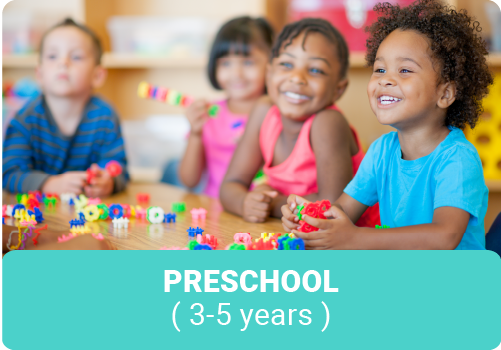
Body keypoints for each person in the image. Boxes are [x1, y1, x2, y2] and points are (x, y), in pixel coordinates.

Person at [282, 0, 493, 250]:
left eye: (404, 70)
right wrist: (312, 216)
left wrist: (355, 238)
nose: (386, 80)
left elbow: (444, 236)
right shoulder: (381, 151)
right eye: (380, 69)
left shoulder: (457, 159)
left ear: (445, 94)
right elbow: (343, 211)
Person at [220, 18, 379, 226]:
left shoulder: (328, 123)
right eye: (286, 64)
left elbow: (331, 207)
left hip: (359, 241)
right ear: (269, 74)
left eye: (315, 70)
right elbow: (230, 185)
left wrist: (271, 203)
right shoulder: (263, 112)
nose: (297, 78)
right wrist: (245, 202)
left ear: (338, 89)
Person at [2, 18, 128, 197]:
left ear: (97, 75)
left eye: (76, 57)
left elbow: (119, 168)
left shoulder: (105, 116)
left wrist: (109, 181)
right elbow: (8, 174)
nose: (63, 63)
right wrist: (50, 184)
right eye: (53, 56)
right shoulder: (25, 119)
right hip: (37, 217)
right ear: (40, 74)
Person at [176, 16, 274, 198]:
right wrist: (195, 133)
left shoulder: (277, 115)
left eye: (247, 62)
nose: (236, 74)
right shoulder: (209, 114)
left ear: (271, 65)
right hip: (215, 213)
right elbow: (189, 180)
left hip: (261, 212)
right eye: (226, 63)